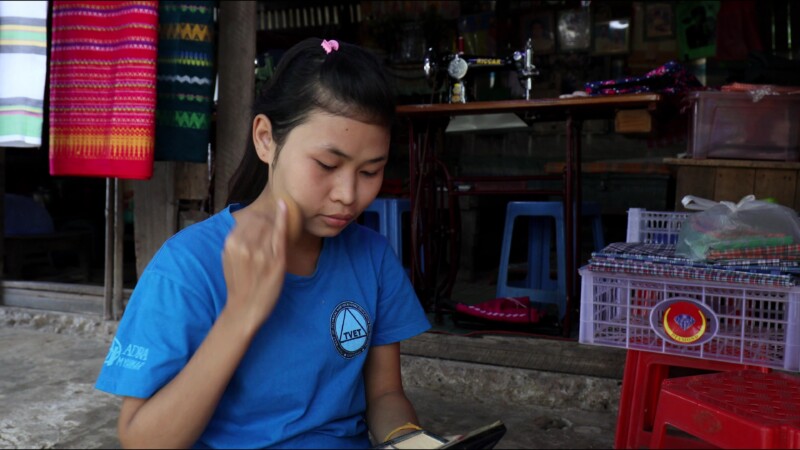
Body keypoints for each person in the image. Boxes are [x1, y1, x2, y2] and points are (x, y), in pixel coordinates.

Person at [95, 37, 432, 449]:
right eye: (327, 165)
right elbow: (142, 440)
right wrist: (241, 315)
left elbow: (384, 394)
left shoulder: (371, 258)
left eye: (370, 171)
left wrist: (409, 441)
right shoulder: (187, 267)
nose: (348, 193)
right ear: (266, 139)